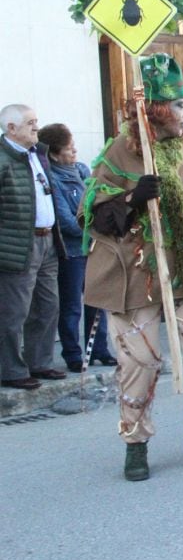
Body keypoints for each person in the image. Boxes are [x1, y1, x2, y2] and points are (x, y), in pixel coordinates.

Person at [82, 53, 183, 480]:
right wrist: (133, 199)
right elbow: (92, 213)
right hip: (136, 273)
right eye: (178, 105)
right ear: (155, 109)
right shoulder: (120, 150)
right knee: (140, 363)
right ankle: (136, 442)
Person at [37, 123, 115, 371]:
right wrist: (92, 232)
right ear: (55, 154)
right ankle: (72, 352)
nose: (74, 152)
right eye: (69, 149)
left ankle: (99, 349)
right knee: (71, 304)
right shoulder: (52, 177)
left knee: (98, 299)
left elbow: (96, 199)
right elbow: (66, 219)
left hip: (95, 245)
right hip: (73, 250)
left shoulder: (81, 171)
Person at [0, 105, 65, 390]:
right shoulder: (3, 158)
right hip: (17, 245)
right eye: (30, 123)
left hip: (48, 240)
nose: (36, 127)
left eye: (36, 121)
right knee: (15, 311)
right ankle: (12, 370)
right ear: (10, 128)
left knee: (48, 306)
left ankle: (40, 362)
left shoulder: (36, 154)